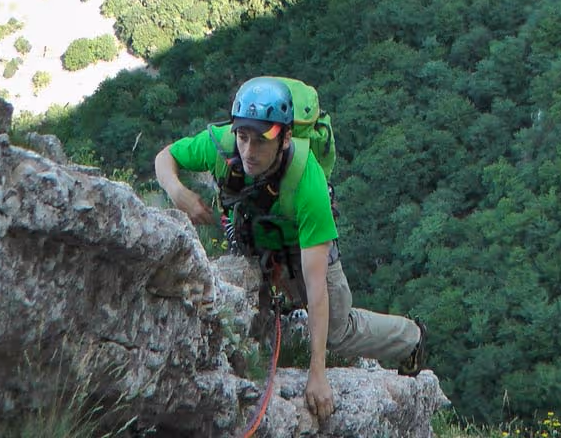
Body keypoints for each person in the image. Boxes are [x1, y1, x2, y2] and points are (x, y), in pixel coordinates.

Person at [154, 76, 427, 423]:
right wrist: (177, 192)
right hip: (259, 241)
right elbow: (165, 157)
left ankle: (411, 338)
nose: (248, 152)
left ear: (284, 139)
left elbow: (316, 289)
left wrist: (317, 373)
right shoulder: (222, 145)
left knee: (337, 332)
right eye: (243, 137)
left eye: (261, 141)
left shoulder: (307, 184)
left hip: (304, 247)